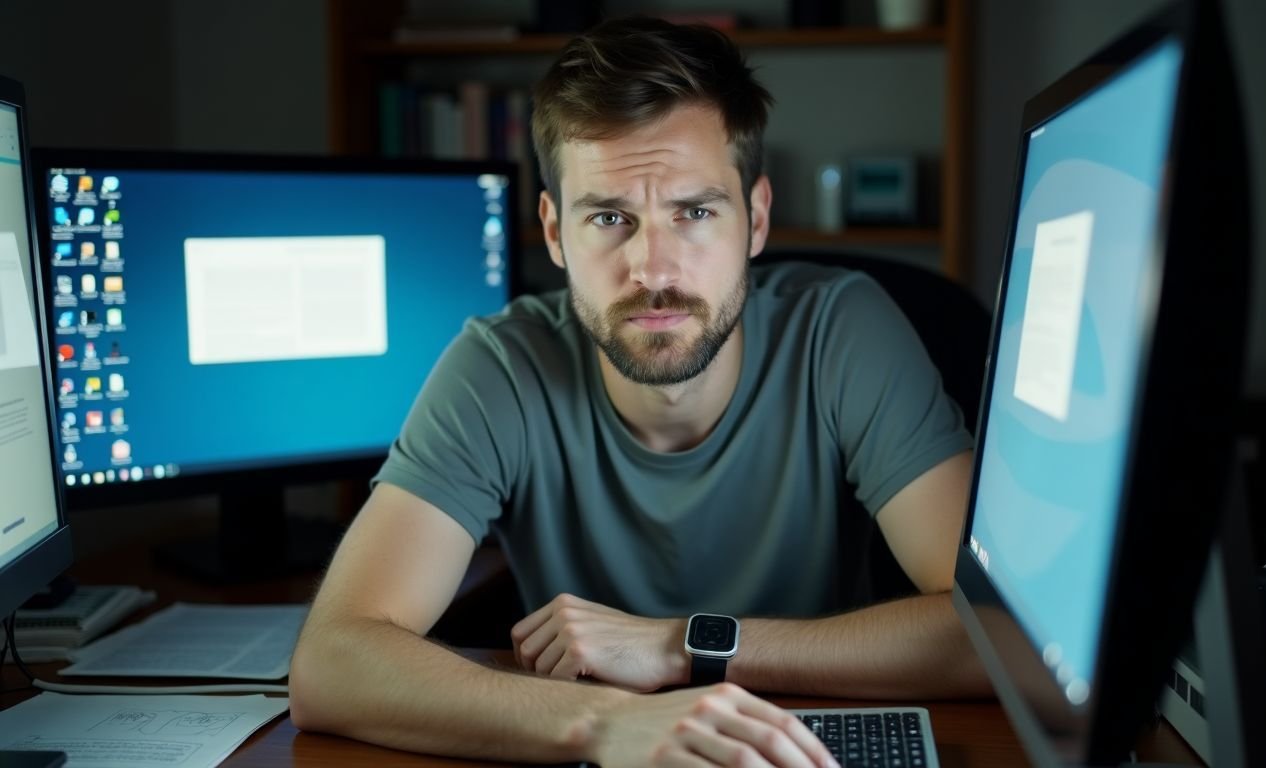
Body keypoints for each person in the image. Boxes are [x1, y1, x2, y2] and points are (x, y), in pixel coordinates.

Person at [290, 16, 988, 767]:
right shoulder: (500, 365)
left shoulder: (843, 330)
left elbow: (993, 632)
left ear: (754, 218)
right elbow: (333, 663)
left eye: (693, 213)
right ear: (555, 232)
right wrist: (604, 722)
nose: (653, 270)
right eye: (610, 218)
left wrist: (681, 644)